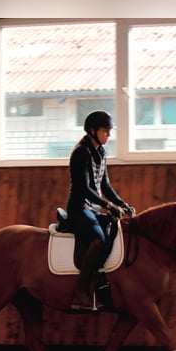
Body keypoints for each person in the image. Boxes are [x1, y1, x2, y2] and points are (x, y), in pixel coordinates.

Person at [66, 110, 134, 310]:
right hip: (79, 209)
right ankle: (80, 292)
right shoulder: (81, 153)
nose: (109, 135)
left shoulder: (101, 153)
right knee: (98, 240)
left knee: (115, 230)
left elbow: (105, 186)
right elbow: (84, 189)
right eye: (106, 131)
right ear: (93, 130)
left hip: (93, 208)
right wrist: (108, 206)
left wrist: (122, 204)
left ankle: (102, 285)